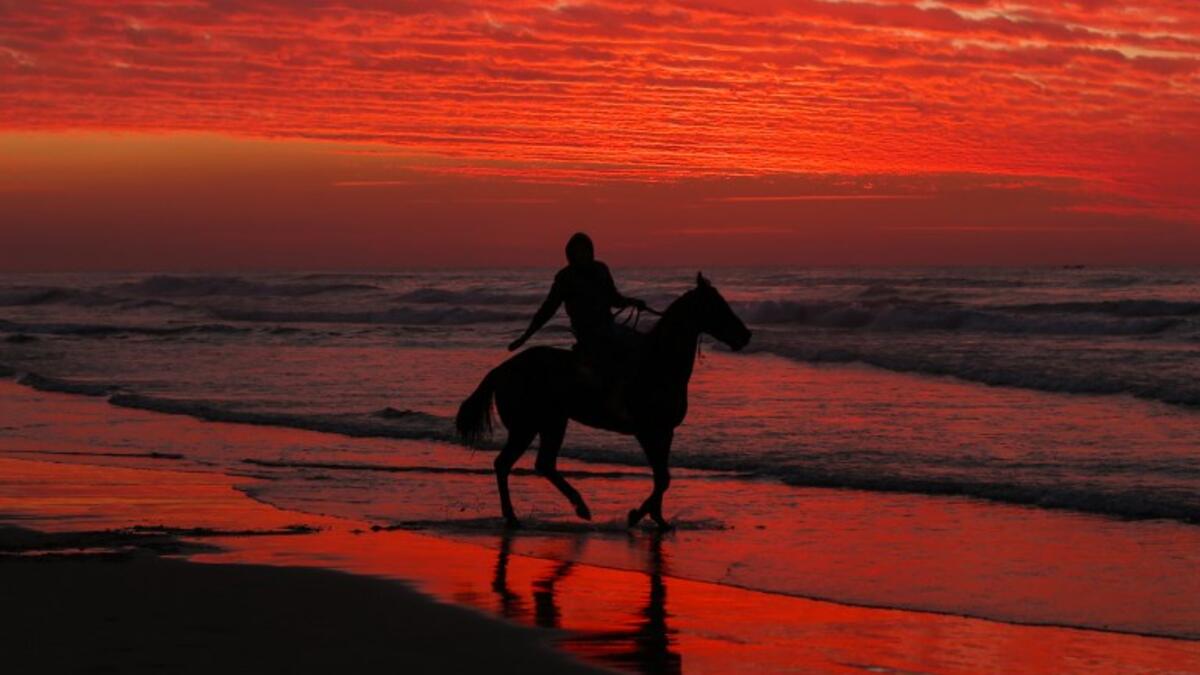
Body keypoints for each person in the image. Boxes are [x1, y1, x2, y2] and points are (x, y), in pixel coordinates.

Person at [508, 232, 647, 364]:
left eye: (585, 251)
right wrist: (525, 337)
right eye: (577, 252)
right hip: (587, 332)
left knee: (643, 342)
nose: (582, 255)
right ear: (570, 255)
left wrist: (633, 302)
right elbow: (548, 310)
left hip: (609, 326)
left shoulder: (601, 269)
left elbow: (614, 299)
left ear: (591, 252)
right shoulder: (565, 277)